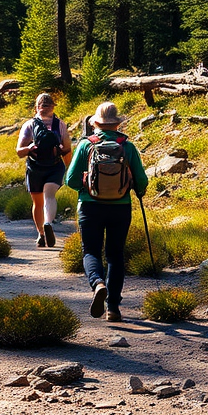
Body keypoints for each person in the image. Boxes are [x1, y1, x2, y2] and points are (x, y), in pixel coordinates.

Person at [65, 100, 147, 322]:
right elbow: (141, 180)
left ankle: (97, 283)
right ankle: (113, 308)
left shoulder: (85, 145)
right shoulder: (128, 147)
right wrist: (135, 188)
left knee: (91, 251)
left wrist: (86, 185)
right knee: (115, 255)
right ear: (117, 124)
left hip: (90, 206)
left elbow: (70, 180)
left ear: (96, 123)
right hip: (121, 207)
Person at [16, 92, 71, 248]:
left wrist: (29, 148)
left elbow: (19, 151)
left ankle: (41, 234)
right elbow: (66, 148)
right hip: (54, 165)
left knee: (38, 203)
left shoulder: (29, 125)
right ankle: (48, 223)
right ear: (53, 107)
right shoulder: (60, 125)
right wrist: (69, 168)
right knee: (50, 195)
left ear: (36, 107)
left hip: (35, 167)